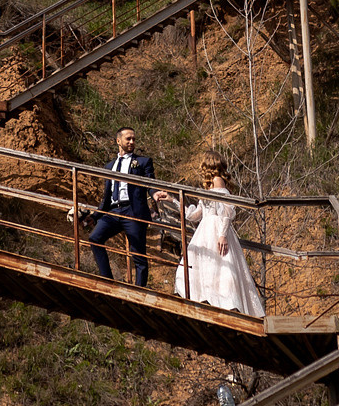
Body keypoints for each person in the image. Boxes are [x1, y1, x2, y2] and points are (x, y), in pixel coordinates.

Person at [157, 161, 264, 320]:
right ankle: (206, 300)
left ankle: (226, 304)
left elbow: (227, 209)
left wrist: (222, 234)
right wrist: (173, 200)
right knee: (203, 266)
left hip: (215, 228)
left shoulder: (217, 180)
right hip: (205, 229)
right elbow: (193, 215)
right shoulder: (209, 186)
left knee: (221, 268)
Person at [85, 126, 153, 287]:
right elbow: (107, 197)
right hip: (114, 211)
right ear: (118, 141)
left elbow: (151, 182)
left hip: (133, 211)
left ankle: (139, 291)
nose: (131, 142)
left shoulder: (143, 162)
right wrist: (95, 216)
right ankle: (107, 281)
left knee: (138, 255)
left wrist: (155, 193)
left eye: (134, 139)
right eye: (128, 138)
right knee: (95, 238)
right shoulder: (109, 166)